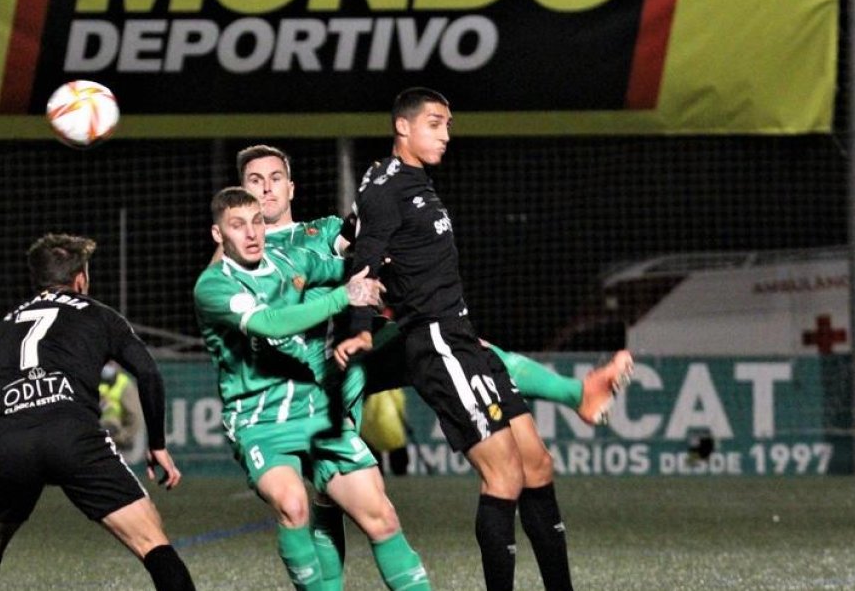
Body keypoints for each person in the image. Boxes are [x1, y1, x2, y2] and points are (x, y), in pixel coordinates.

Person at [236, 143, 632, 589]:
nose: (266, 187)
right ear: (241, 192)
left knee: (460, 342)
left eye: (274, 177)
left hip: (355, 354)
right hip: (303, 384)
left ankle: (577, 394)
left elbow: (361, 244)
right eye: (255, 180)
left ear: (291, 186)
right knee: (330, 497)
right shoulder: (240, 255)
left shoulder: (321, 231)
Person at [336, 88, 631, 591]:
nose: (446, 135)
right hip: (435, 341)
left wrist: (344, 237)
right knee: (504, 476)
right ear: (402, 127)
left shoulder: (407, 182)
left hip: (461, 335)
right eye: (435, 123)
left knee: (536, 462)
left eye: (448, 125)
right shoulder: (388, 186)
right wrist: (360, 328)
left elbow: (354, 235)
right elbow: (364, 260)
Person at [194, 187, 430, 591]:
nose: (251, 233)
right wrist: (345, 296)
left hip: (316, 410)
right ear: (219, 235)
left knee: (382, 518)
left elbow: (342, 264)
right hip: (258, 417)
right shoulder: (213, 287)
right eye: (237, 225)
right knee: (293, 504)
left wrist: (376, 260)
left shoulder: (290, 260)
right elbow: (271, 322)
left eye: (256, 222)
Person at [0, 233, 194, 591]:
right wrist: (157, 445)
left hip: (12, 442)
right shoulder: (101, 315)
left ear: (36, 278)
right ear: (80, 278)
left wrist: (0, 452)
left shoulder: (7, 324)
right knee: (151, 542)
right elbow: (148, 372)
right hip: (74, 437)